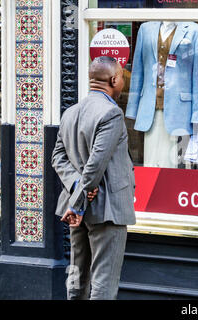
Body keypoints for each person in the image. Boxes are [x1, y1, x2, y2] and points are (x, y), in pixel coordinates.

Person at [52, 56, 136, 300]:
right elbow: (96, 164)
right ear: (114, 79)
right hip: (105, 210)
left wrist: (76, 189)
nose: (122, 81)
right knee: (103, 282)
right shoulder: (111, 113)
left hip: (75, 210)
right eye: (121, 76)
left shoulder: (71, 112)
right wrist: (80, 198)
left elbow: (58, 158)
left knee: (77, 274)